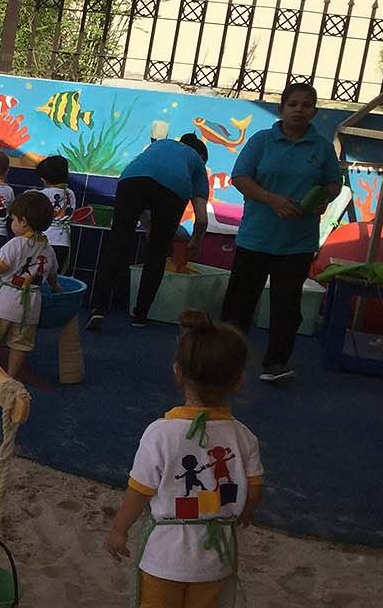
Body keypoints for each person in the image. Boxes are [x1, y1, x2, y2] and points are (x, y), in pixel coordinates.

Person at [104, 310, 262, 608]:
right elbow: (255, 488)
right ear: (238, 382)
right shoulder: (244, 437)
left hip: (165, 554)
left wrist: (119, 529)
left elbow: (139, 491)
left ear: (178, 373)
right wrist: (244, 513)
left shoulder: (161, 433)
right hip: (215, 555)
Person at [220, 82, 342, 383]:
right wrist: (271, 199)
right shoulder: (262, 141)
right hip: (256, 237)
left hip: (297, 243)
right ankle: (224, 361)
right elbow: (240, 177)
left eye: (306, 105)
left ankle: (276, 363)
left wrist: (323, 198)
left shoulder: (322, 148)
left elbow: (333, 183)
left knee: (287, 307)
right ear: (282, 108)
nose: (299, 110)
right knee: (239, 304)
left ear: (314, 111)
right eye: (293, 104)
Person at [86, 134, 210, 331]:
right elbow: (202, 219)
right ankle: (140, 315)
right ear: (201, 156)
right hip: (173, 190)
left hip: (131, 179)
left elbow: (145, 194)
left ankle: (97, 308)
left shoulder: (160, 145)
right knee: (158, 252)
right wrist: (195, 242)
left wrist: (149, 227)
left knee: (117, 243)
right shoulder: (198, 163)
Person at [0, 191, 61, 380]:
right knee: (20, 345)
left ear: (23, 221)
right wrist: (55, 287)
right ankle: (10, 377)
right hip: (30, 307)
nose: (11, 224)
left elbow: (0, 267)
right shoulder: (48, 248)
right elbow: (52, 274)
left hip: (5, 303)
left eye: (13, 220)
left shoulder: (15, 244)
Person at [37, 155, 77, 273]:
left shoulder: (42, 194)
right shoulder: (70, 194)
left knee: (41, 273)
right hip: (63, 241)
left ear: (44, 179)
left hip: (45, 240)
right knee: (56, 274)